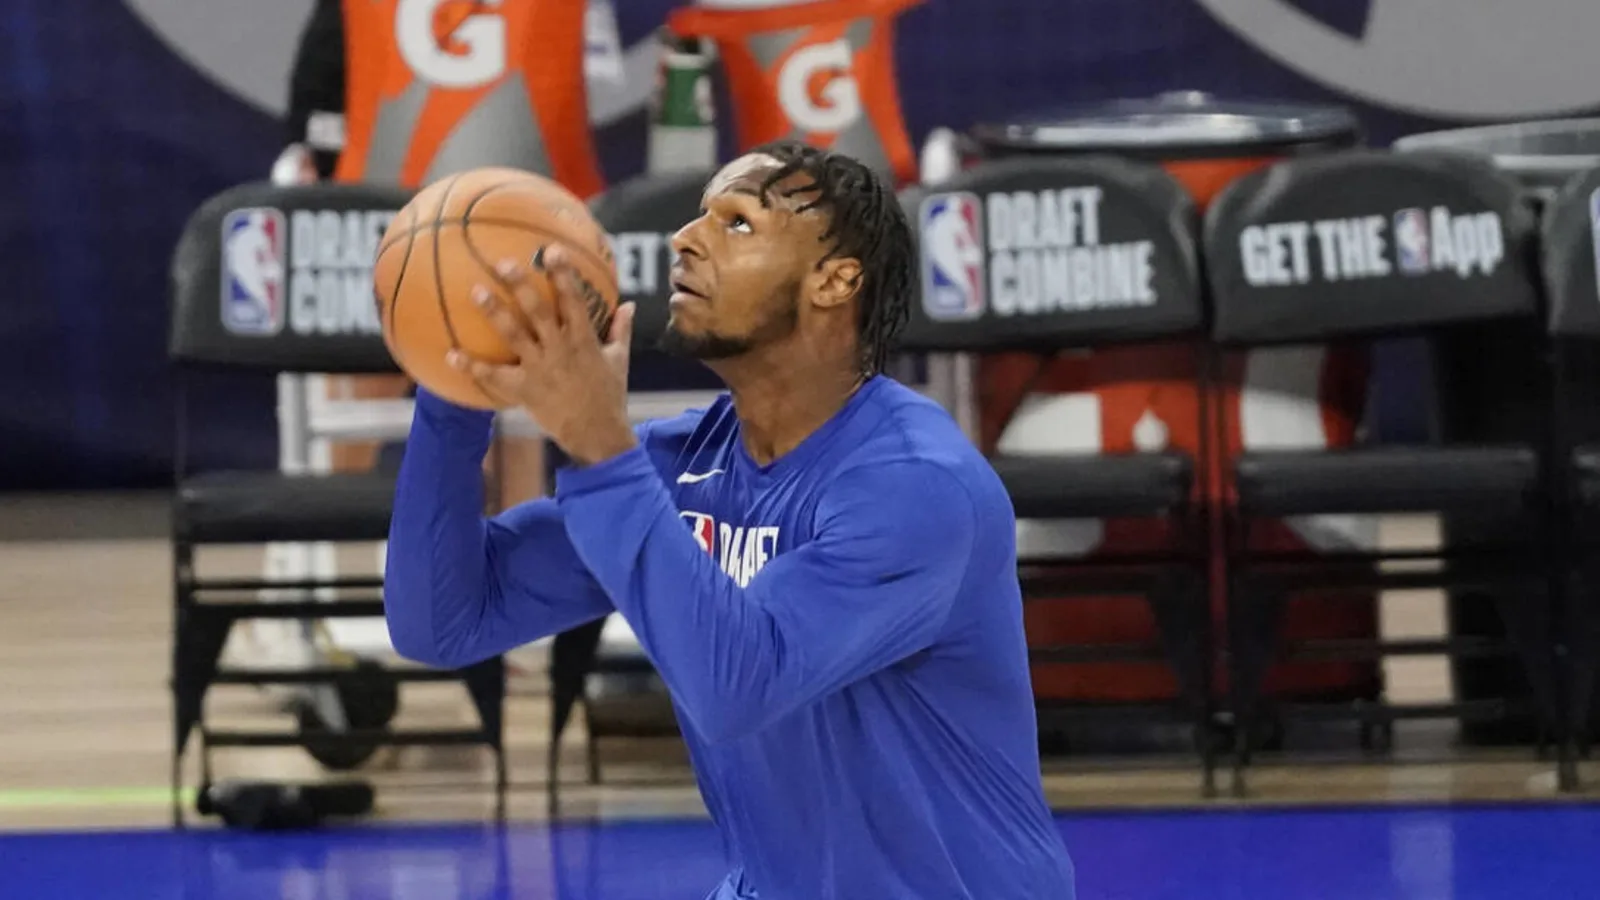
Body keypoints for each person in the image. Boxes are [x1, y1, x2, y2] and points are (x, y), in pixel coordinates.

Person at [383, 140, 1076, 899]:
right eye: (698, 216)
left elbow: (737, 687)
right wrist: (453, 388)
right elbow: (443, 621)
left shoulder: (917, 487)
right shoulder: (677, 465)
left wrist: (598, 445)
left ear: (835, 279)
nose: (686, 238)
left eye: (737, 222)